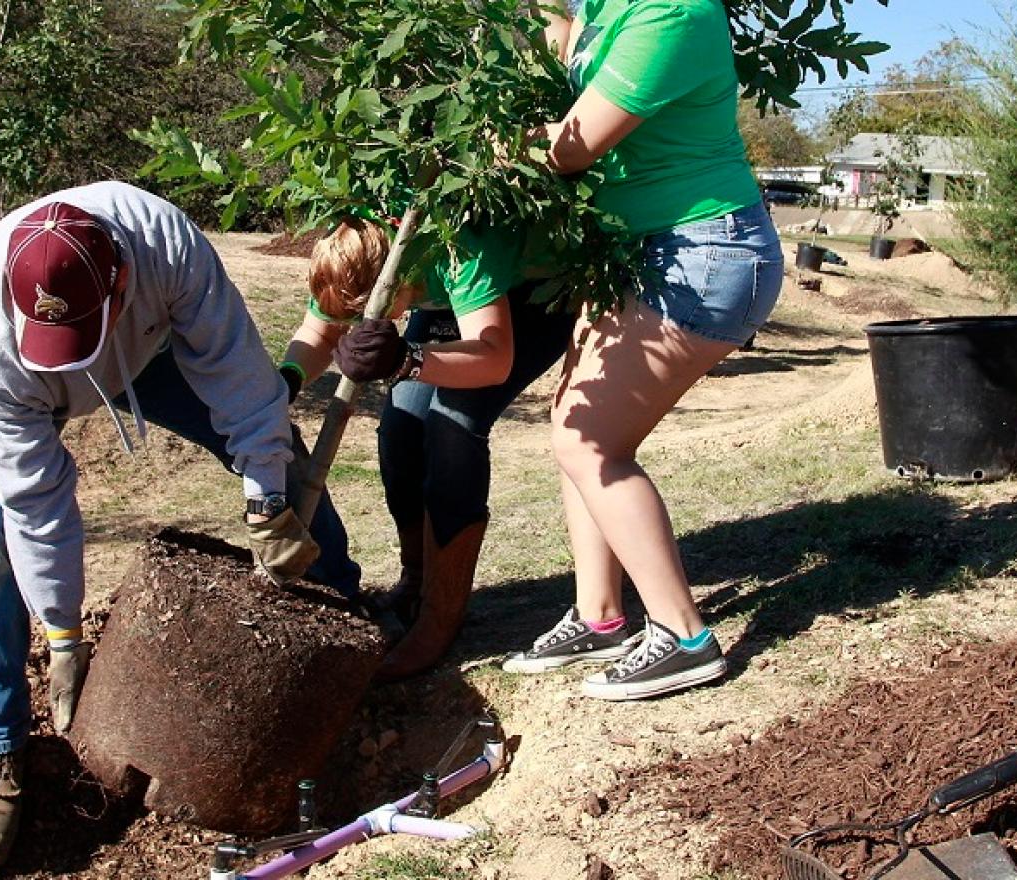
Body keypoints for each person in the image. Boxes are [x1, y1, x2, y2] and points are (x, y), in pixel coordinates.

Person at [0, 181, 362, 865]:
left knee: (280, 461)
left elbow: (239, 382)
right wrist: (62, 633)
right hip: (25, 379)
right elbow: (35, 502)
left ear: (121, 279)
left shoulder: (166, 246)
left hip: (150, 349)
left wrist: (264, 500)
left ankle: (341, 634)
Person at [499, 0, 784, 700]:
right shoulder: (606, 6)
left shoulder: (674, 11)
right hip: (638, 251)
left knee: (589, 441)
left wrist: (487, 149)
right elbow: (562, 48)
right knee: (575, 422)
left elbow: (571, 147)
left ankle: (685, 638)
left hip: (704, 250)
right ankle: (600, 618)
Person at [283, 215, 575, 680]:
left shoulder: (462, 249)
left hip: (532, 298)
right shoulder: (349, 250)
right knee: (400, 429)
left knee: (452, 427)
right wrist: (287, 381)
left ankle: (441, 615)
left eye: (362, 317)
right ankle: (416, 579)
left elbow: (493, 359)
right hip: (445, 303)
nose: (353, 327)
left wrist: (405, 359)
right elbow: (318, 334)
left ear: (393, 283)